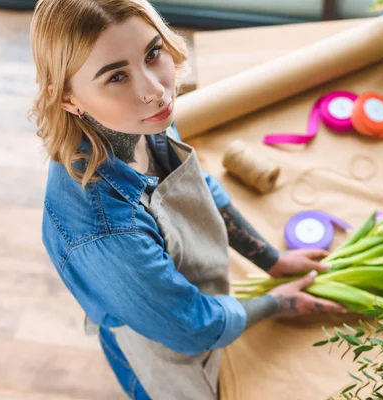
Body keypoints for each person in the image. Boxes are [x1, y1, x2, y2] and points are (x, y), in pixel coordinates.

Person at [29, 0, 348, 398]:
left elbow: (198, 188)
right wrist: (275, 304)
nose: (155, 89)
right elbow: (191, 328)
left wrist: (273, 259)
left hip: (172, 299)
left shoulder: (135, 120)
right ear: (67, 98)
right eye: (116, 77)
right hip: (155, 340)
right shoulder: (106, 233)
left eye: (152, 53)